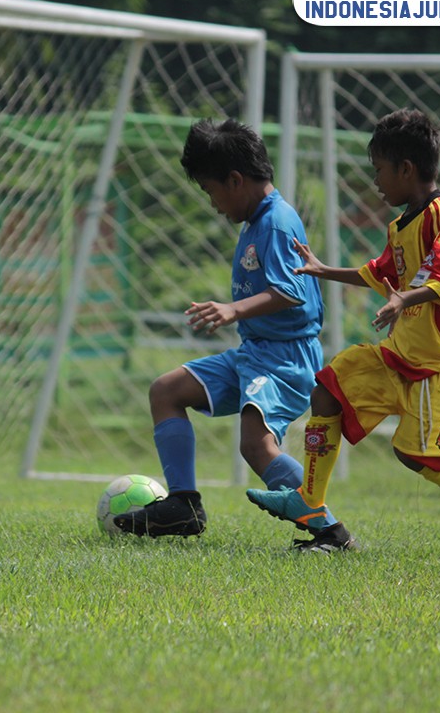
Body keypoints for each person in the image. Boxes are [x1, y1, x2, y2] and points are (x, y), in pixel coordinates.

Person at [246, 108, 440, 556]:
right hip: (401, 353)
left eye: (380, 170)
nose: (376, 181)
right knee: (328, 388)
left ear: (406, 168)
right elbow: (381, 271)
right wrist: (324, 270)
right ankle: (309, 500)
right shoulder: (401, 224)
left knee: (415, 456)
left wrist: (404, 299)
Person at [113, 118, 325, 537]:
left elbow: (292, 291)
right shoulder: (257, 219)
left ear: (235, 180)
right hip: (254, 352)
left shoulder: (277, 222)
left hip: (284, 358)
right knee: (167, 391)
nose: (213, 203)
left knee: (255, 445)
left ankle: (329, 528)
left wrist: (233, 310)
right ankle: (183, 507)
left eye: (211, 191)